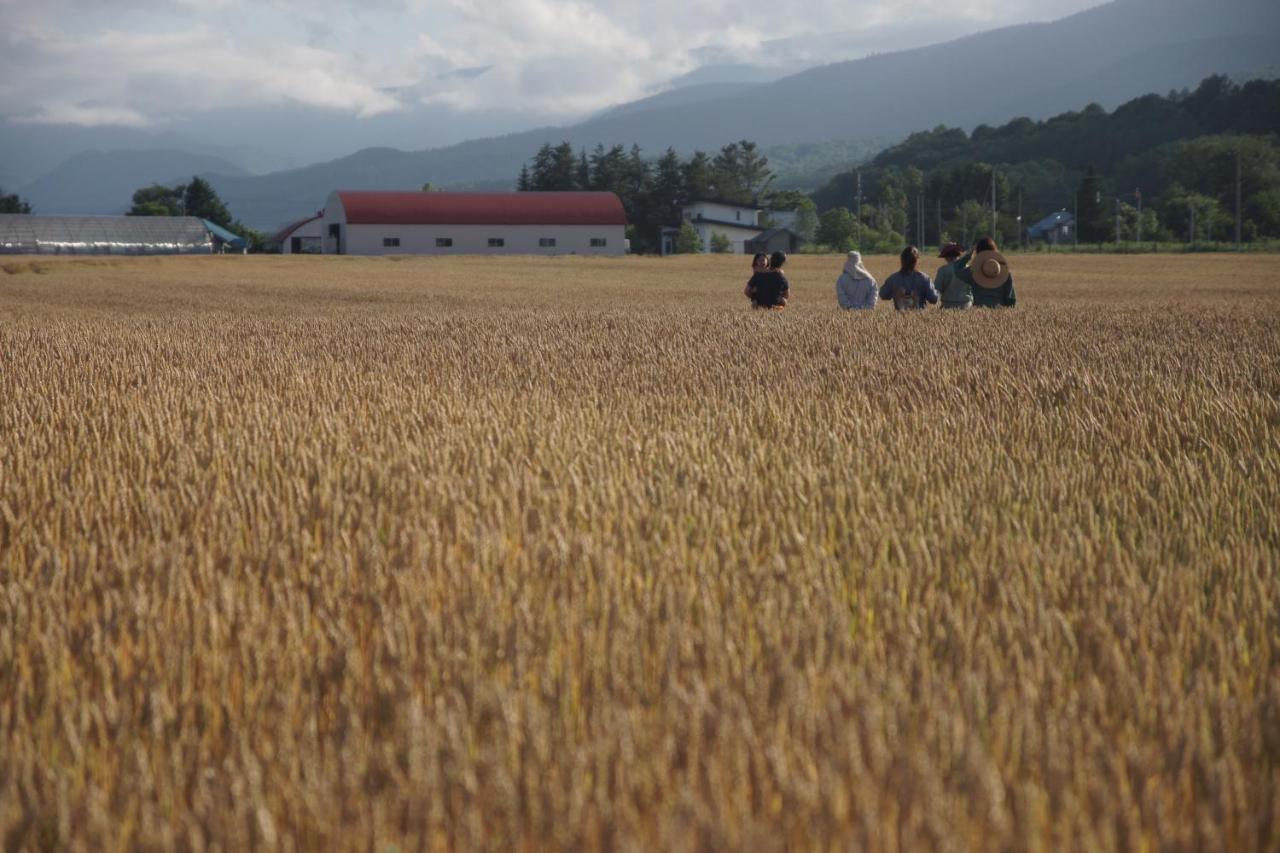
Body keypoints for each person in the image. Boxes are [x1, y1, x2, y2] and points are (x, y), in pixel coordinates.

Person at [950, 237, 1016, 307]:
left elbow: (957, 269)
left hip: (978, 311)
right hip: (1000, 310)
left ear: (978, 252)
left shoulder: (973, 271)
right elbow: (1010, 299)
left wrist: (969, 255)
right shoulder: (1005, 274)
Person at [878, 246, 938, 310]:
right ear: (916, 261)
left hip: (898, 318)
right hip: (920, 318)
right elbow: (933, 299)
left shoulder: (893, 279)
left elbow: (882, 295)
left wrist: (896, 294)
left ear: (902, 260)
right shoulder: (924, 278)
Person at [935, 241, 971, 309]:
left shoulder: (942, 270)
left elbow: (937, 289)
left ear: (946, 256)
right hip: (966, 304)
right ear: (959, 255)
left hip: (947, 305)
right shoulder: (968, 268)